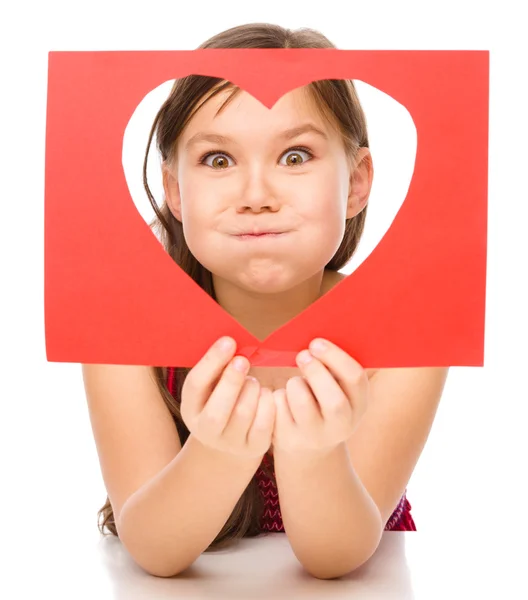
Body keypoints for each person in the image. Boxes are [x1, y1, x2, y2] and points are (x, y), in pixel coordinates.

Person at [82, 22, 449, 579]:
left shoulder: (405, 334)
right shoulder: (124, 329)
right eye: (218, 160)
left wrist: (316, 453)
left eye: (296, 156)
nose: (257, 196)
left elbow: (335, 558)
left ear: (356, 182)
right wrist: (218, 450)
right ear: (175, 190)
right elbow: (154, 550)